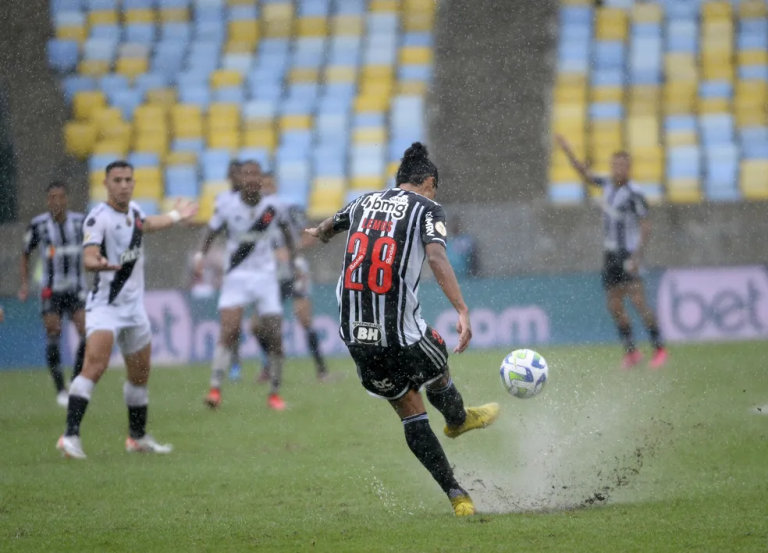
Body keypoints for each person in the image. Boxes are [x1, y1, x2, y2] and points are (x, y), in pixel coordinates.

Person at [306, 143, 499, 517]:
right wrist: (461, 308)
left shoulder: (364, 201)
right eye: (435, 188)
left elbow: (330, 225)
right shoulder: (427, 208)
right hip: (398, 328)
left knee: (410, 410)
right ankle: (458, 420)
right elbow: (436, 254)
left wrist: (320, 233)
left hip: (353, 330)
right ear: (429, 182)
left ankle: (457, 496)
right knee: (438, 361)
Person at [56, 161, 197, 459]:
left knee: (140, 374)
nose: (123, 185)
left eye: (128, 180)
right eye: (117, 180)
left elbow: (147, 225)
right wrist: (99, 263)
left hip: (134, 309)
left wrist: (175, 215)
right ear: (106, 184)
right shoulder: (98, 218)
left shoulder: (133, 212)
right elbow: (89, 256)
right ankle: (69, 437)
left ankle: (137, 437)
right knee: (94, 367)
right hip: (106, 306)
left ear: (133, 184)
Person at [556, 134, 668, 369]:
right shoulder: (606, 184)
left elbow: (646, 225)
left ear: (629, 168)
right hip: (610, 255)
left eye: (622, 165)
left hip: (628, 254)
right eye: (615, 165)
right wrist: (569, 152)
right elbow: (585, 175)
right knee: (614, 304)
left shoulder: (634, 193)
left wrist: (637, 257)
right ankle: (631, 352)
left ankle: (659, 349)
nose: (618, 169)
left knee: (638, 301)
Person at [195, 161, 296, 411]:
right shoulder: (227, 206)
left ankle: (274, 393)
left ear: (261, 179)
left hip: (265, 277)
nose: (251, 179)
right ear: (239, 178)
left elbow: (288, 233)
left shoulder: (273, 207)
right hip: (236, 276)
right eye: (247, 174)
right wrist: (200, 256)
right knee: (229, 330)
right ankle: (215, 389)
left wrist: (293, 260)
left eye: (256, 174)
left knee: (274, 336)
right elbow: (210, 232)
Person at [255, 172, 332, 383]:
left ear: (276, 186)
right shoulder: (255, 214)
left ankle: (322, 370)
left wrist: (290, 251)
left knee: (304, 318)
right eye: (263, 186)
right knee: (257, 325)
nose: (266, 190)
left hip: (294, 267)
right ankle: (269, 365)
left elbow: (310, 234)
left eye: (270, 185)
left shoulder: (288, 208)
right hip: (268, 272)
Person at [19, 181, 87, 408]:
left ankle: (76, 379)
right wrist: (25, 284)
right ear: (47, 200)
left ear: (67, 199)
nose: (56, 201)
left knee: (86, 332)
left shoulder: (81, 222)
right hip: (51, 289)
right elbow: (25, 253)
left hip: (76, 287)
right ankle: (60, 389)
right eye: (52, 197)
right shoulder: (39, 225)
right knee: (53, 332)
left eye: (60, 196)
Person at [224, 160, 245, 381]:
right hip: (235, 269)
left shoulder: (261, 201)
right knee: (233, 323)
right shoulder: (225, 202)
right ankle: (235, 363)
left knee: (265, 322)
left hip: (261, 270)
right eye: (235, 174)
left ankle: (267, 362)